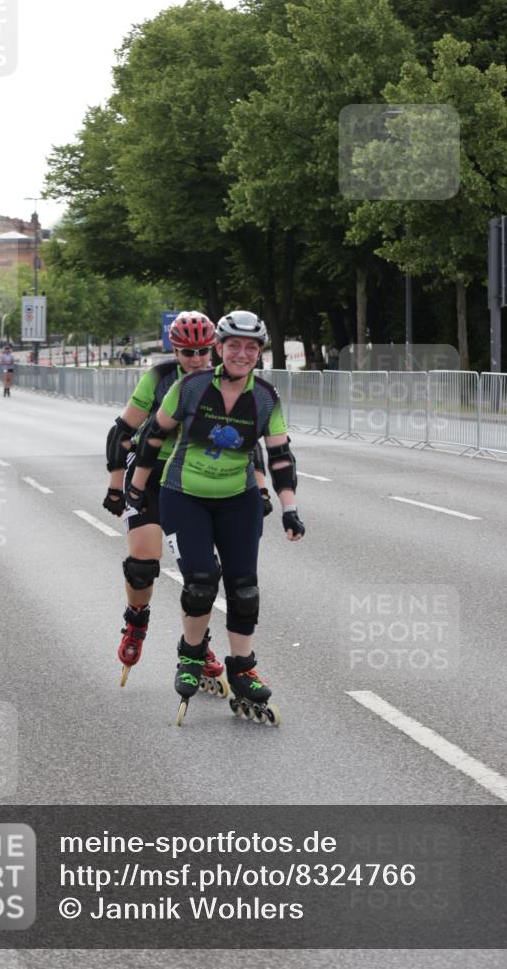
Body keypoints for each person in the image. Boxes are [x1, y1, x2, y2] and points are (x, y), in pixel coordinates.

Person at [127, 310, 305, 726]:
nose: (242, 354)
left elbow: (280, 456)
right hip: (183, 495)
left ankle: (242, 670)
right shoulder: (190, 387)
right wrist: (134, 486)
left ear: (259, 353)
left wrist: (289, 507)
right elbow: (154, 434)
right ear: (219, 349)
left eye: (251, 347)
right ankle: (191, 656)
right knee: (201, 582)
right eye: (234, 346)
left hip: (238, 499)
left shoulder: (265, 397)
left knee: (244, 588)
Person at [103, 312, 229, 689]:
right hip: (148, 474)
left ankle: (197, 645)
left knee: (202, 576)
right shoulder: (159, 378)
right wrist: (115, 486)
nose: (197, 359)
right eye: (188, 352)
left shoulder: (225, 381)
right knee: (142, 567)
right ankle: (136, 621)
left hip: (192, 479)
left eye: (204, 351)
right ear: (175, 351)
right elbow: (121, 431)